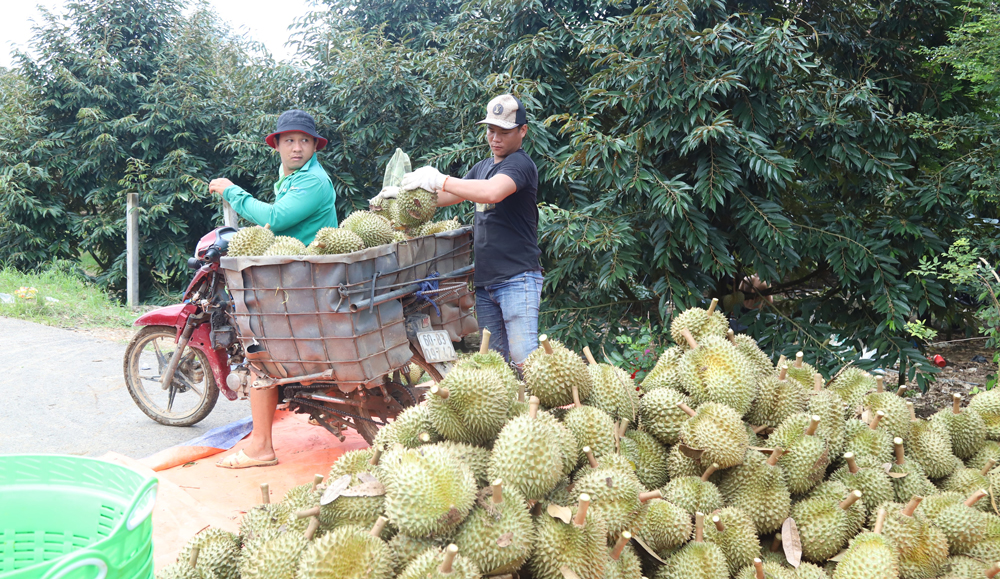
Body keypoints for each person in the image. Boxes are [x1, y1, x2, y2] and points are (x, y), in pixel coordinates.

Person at [208, 109, 337, 468]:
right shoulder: (292, 176)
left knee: (258, 351)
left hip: (305, 281)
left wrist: (232, 192)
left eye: (305, 141)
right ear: (277, 145)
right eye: (290, 140)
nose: (297, 147)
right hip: (295, 275)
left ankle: (262, 446)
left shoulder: (312, 181)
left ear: (314, 146)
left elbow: (276, 219)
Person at [377, 94, 543, 369]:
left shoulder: (520, 165)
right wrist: (406, 194)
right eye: (491, 130)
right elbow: (449, 195)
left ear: (522, 131)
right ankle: (509, 412)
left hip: (517, 279)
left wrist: (440, 178)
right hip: (486, 282)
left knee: (525, 361)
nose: (495, 138)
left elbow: (491, 192)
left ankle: (537, 409)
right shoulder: (483, 167)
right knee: (495, 366)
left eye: (504, 131)